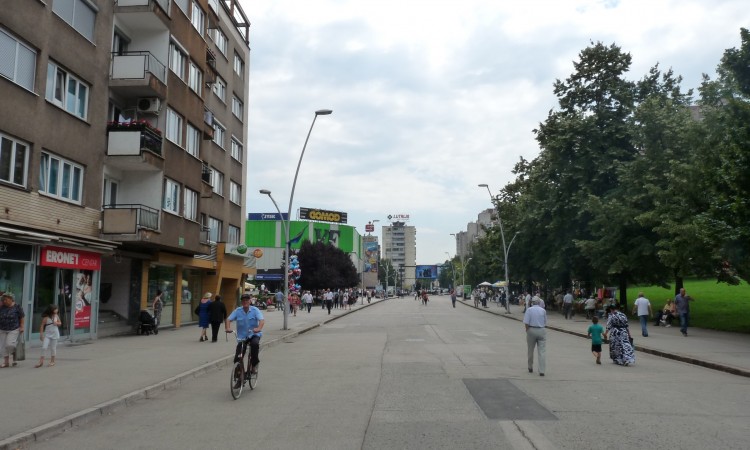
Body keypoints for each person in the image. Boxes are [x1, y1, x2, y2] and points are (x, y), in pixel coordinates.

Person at [225, 293, 264, 377]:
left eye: (247, 300)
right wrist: (228, 328)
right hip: (242, 337)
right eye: (243, 300)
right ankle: (239, 375)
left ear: (250, 301)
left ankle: (254, 365)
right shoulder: (238, 311)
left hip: (254, 334)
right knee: (238, 356)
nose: (245, 302)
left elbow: (261, 320)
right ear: (241, 302)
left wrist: (258, 328)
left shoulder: (255, 310)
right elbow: (228, 319)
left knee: (254, 344)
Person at [523, 297, 547, 376]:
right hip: (541, 330)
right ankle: (542, 370)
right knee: (542, 352)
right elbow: (545, 322)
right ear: (539, 302)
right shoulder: (543, 310)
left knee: (530, 350)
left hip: (531, 329)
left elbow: (526, 322)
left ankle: (530, 366)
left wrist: (527, 330)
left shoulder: (529, 310)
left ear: (532, 302)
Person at [0, 292, 24, 368]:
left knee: (9, 344)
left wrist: (22, 326)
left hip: (13, 328)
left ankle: (14, 352)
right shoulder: (2, 307)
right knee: (3, 346)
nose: (4, 301)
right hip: (2, 328)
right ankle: (6, 362)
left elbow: (22, 317)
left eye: (6, 299)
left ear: (11, 299)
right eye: (3, 300)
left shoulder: (17, 307)